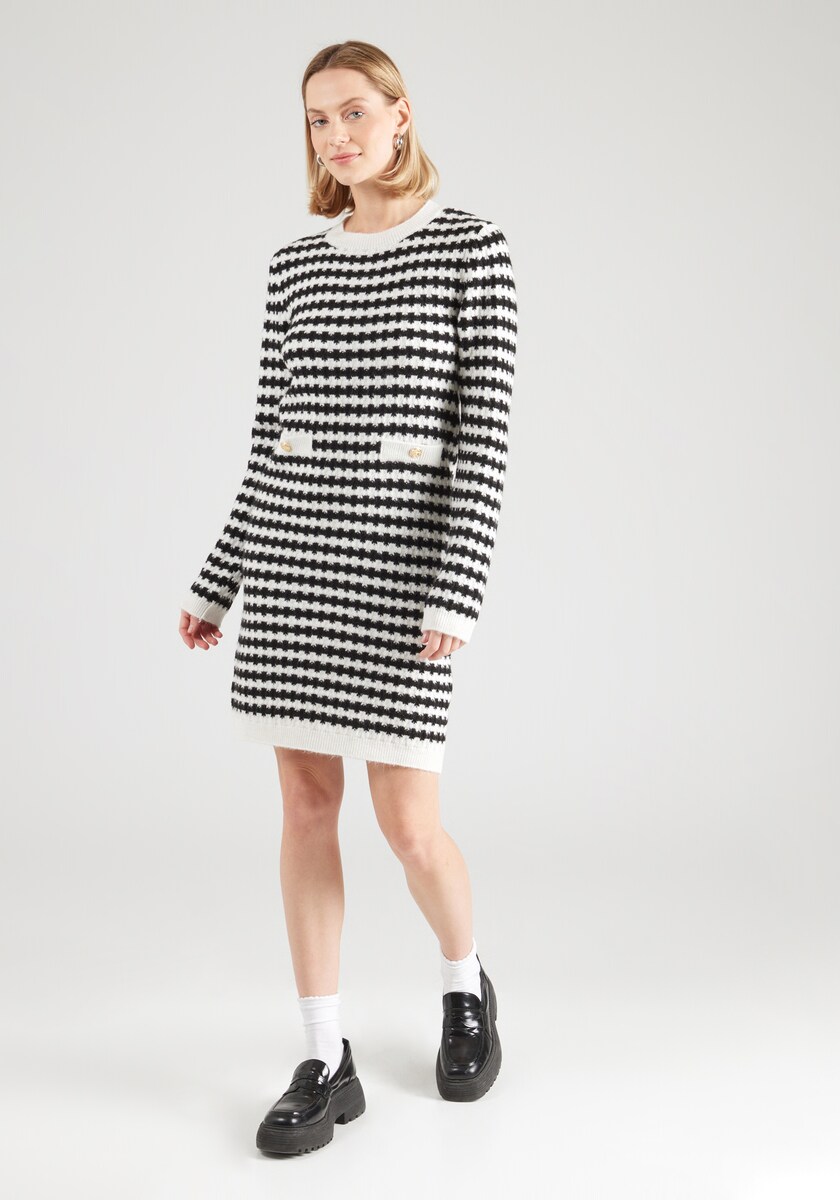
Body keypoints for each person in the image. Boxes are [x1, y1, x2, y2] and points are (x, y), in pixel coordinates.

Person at [178, 39, 517, 1157]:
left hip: (403, 577)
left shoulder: (471, 250)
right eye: (318, 119)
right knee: (306, 812)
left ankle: (465, 984)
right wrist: (220, 579)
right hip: (294, 576)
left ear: (401, 114)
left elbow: (483, 442)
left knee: (410, 828)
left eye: (355, 111)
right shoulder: (296, 265)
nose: (336, 135)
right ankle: (326, 1056)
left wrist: (457, 590)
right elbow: (270, 442)